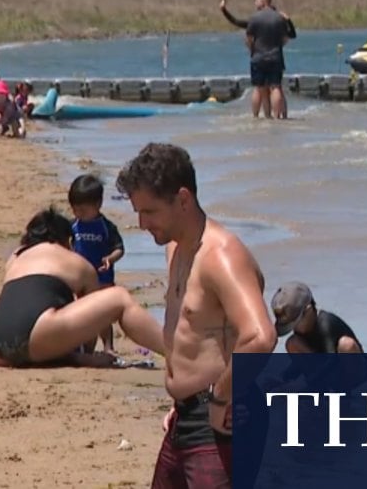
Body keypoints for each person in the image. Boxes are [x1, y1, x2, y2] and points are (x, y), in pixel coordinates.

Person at [115, 142, 277, 488]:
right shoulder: (175, 247)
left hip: (222, 420)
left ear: (183, 200)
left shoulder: (222, 257)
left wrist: (219, 397)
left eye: (150, 212)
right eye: (138, 212)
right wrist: (185, 401)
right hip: (185, 419)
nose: (142, 224)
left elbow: (260, 337)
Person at [0, 205, 166, 368]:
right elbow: (91, 328)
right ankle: (172, 351)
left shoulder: (16, 257)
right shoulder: (78, 263)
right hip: (37, 337)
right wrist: (84, 353)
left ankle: (63, 356)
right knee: (119, 298)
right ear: (69, 242)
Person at [68, 174, 126, 354]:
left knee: (103, 316)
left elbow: (119, 248)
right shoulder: (73, 226)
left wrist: (110, 259)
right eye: (75, 209)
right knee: (84, 315)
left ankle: (108, 346)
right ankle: (86, 348)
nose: (79, 214)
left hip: (103, 278)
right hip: (82, 279)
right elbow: (65, 244)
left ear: (98, 205)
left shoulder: (106, 227)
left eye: (83, 210)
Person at [220, 0, 296, 120]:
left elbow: (238, 23)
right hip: (276, 57)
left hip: (258, 57)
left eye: (256, 1)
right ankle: (278, 117)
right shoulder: (280, 18)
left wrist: (224, 10)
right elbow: (291, 35)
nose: (255, 3)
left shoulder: (254, 19)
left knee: (259, 89)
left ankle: (259, 116)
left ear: (263, 2)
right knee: (276, 87)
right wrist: (288, 20)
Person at [270, 282, 363, 354]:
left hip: (340, 360)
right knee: (292, 343)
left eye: (295, 323)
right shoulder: (301, 329)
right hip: (321, 360)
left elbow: (331, 360)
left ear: (309, 311)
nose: (295, 328)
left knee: (346, 345)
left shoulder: (325, 325)